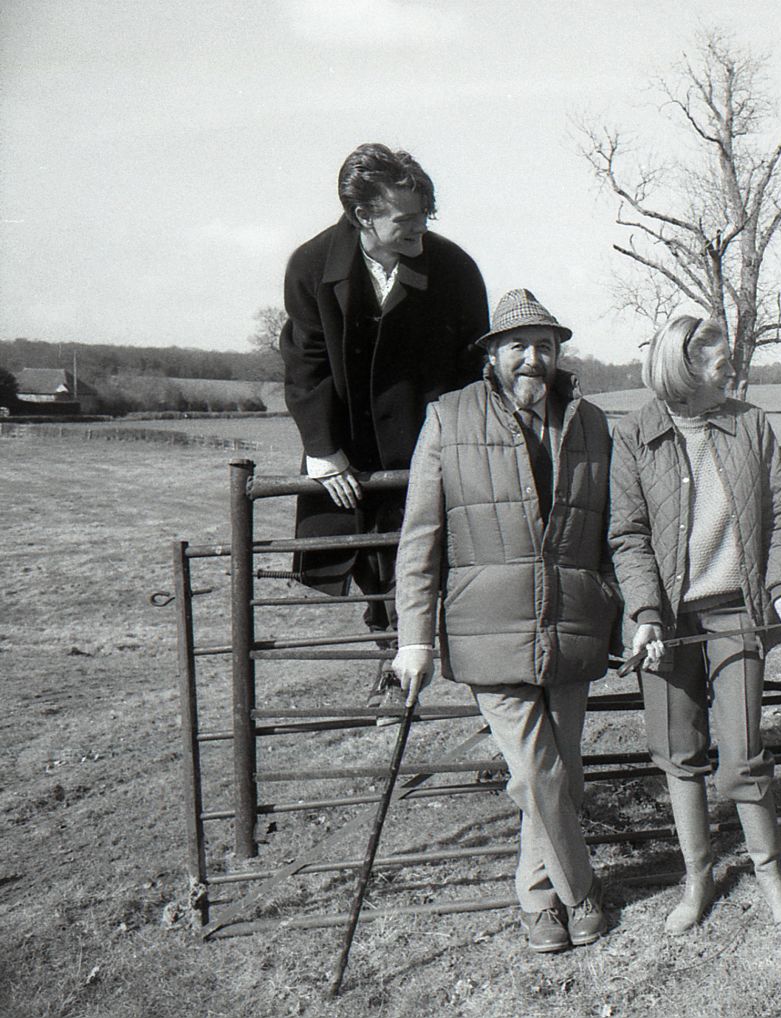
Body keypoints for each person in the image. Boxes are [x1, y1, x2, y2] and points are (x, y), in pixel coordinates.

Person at [390, 289, 618, 954]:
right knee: (538, 774)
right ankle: (580, 892)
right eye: (518, 344)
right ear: (492, 354)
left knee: (563, 774)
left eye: (545, 345)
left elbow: (615, 531)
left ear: (559, 353)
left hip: (572, 623)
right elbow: (420, 536)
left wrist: (620, 608)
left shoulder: (592, 423)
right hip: (488, 630)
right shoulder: (448, 418)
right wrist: (413, 636)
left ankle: (540, 900)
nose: (533, 358)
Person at [609, 313, 781, 937]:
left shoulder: (750, 423)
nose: (732, 368)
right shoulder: (634, 436)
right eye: (720, 361)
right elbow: (628, 535)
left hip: (738, 613)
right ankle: (698, 879)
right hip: (665, 623)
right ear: (683, 366)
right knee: (679, 754)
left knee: (743, 750)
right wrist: (644, 613)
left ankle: (770, 874)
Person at [281, 143, 488, 714]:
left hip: (428, 442)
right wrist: (323, 450)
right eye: (405, 218)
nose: (420, 226)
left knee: (421, 551)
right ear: (361, 216)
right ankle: (389, 652)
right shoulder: (310, 266)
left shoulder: (454, 269)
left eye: (425, 213)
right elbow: (305, 360)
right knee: (367, 558)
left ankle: (419, 663)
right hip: (348, 445)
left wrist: (452, 448)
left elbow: (472, 369)